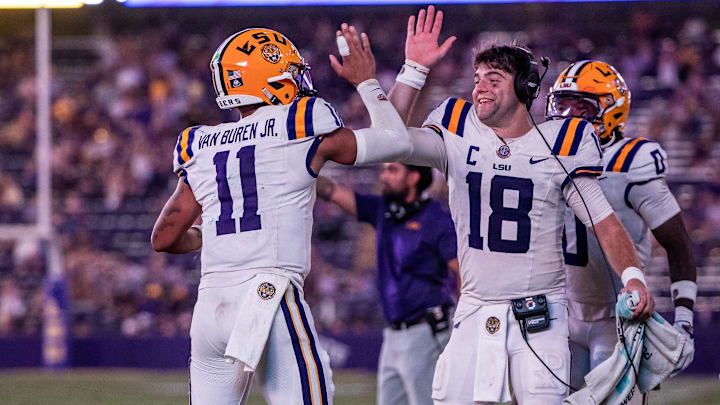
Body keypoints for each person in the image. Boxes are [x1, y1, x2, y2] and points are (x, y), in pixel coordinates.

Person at [372, 6, 657, 404]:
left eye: (494, 78)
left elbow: (604, 222)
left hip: (539, 314)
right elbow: (388, 137)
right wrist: (414, 69)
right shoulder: (458, 126)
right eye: (477, 79)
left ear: (524, 87)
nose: (480, 88)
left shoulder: (562, 145)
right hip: (473, 308)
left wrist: (634, 277)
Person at [151, 27, 413, 405]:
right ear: (268, 77)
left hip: (210, 308)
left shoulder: (200, 143)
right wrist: (367, 82)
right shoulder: (300, 121)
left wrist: (211, 233)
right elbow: (397, 141)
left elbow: (164, 237)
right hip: (269, 295)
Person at [546, 60, 697, 391]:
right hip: (559, 317)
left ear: (612, 110)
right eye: (562, 105)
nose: (568, 116)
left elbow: (678, 243)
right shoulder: (543, 157)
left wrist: (684, 319)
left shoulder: (632, 161)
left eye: (582, 107)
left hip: (617, 318)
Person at [317, 162, 458, 405]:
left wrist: (465, 322)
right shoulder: (384, 210)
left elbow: (462, 270)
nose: (383, 176)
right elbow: (331, 191)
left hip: (426, 330)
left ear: (413, 177)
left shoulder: (436, 220)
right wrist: (302, 169)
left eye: (392, 170)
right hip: (392, 334)